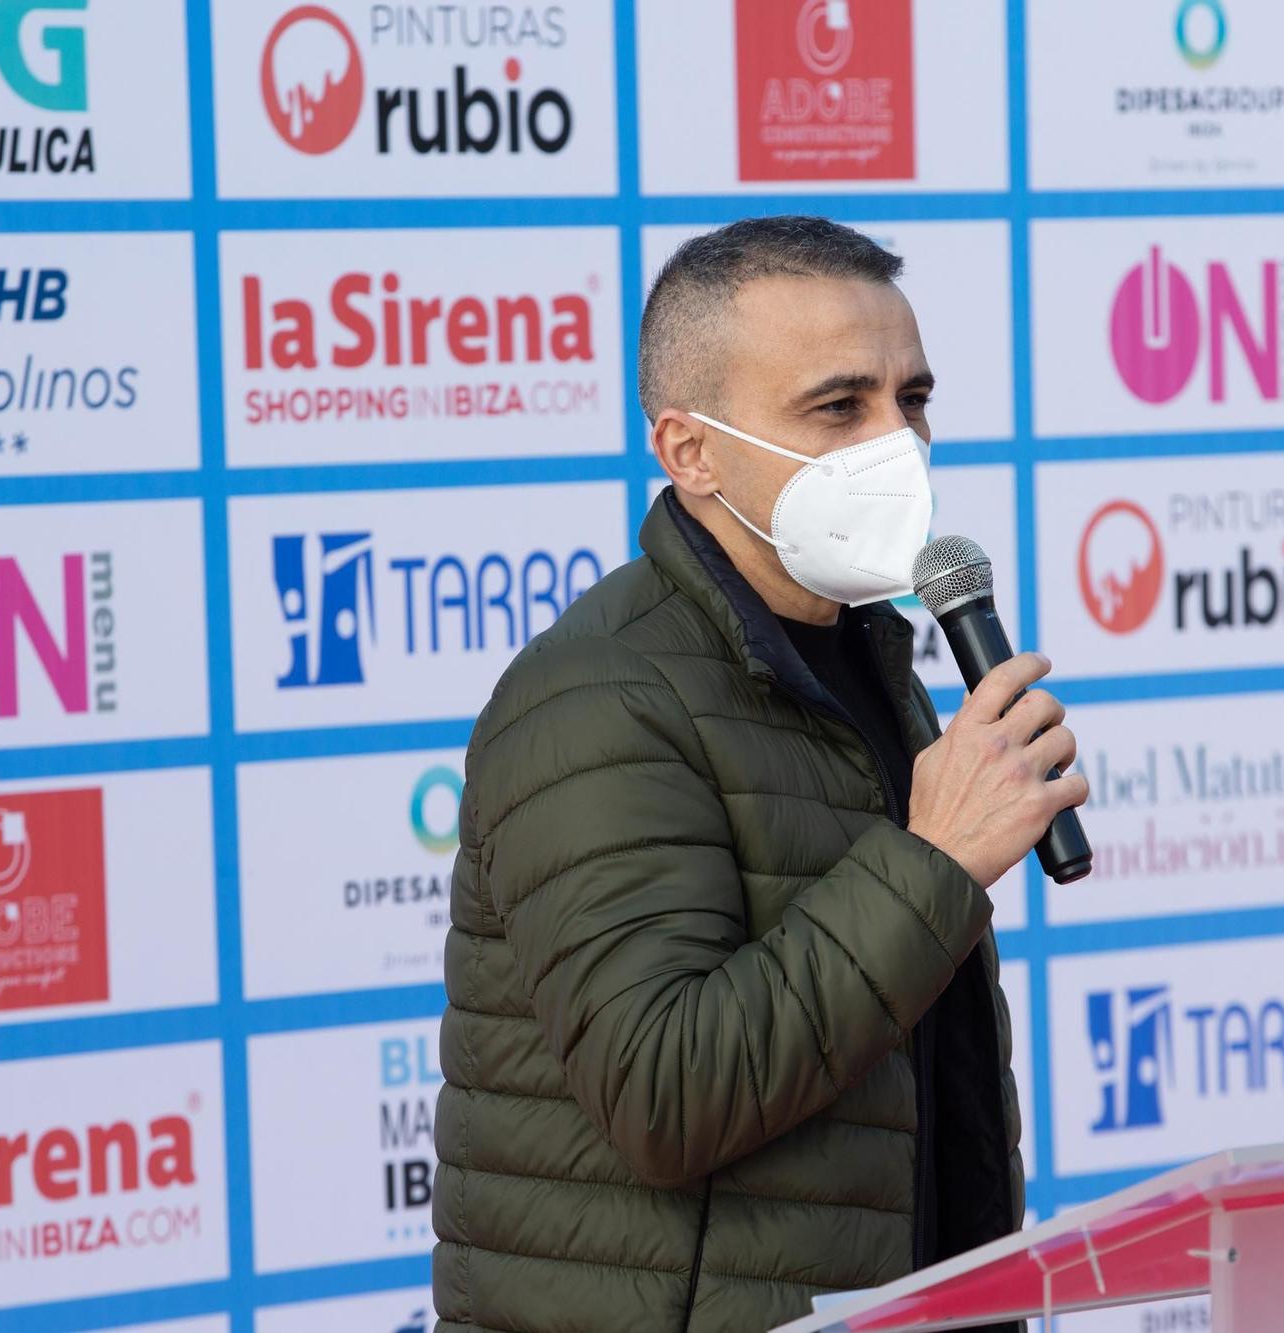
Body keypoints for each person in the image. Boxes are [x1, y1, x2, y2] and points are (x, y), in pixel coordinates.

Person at [432, 215, 1088, 1332]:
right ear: (690, 451)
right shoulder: (598, 697)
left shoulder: (869, 657)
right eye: (840, 408)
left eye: (911, 399)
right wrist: (932, 862)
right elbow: (662, 1093)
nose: (899, 444)